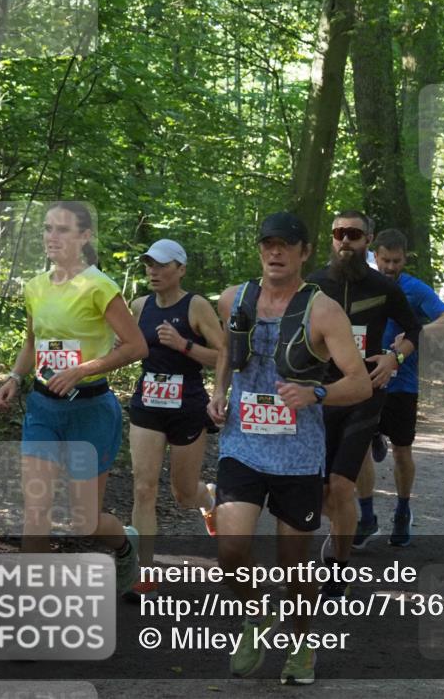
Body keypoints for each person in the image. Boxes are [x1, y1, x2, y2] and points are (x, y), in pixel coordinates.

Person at [207, 211, 371, 683]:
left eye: (286, 245)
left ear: (304, 252)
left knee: (294, 566)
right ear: (259, 249)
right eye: (268, 244)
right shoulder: (233, 299)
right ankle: (257, 614)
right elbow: (227, 350)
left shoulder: (324, 311)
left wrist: (315, 393)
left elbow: (359, 383)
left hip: (297, 452)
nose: (275, 252)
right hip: (242, 443)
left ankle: (301, 645)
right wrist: (219, 391)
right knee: (230, 549)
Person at [0, 200, 146, 596]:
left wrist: (82, 369)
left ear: (84, 236)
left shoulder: (99, 286)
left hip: (91, 411)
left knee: (84, 521)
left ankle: (125, 544)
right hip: (43, 408)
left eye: (62, 229)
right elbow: (32, 342)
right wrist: (14, 377)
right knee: (36, 513)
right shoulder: (35, 287)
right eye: (47, 228)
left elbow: (136, 346)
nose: (52, 237)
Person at [306, 210, 422, 599]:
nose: (345, 240)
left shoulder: (383, 287)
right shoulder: (312, 284)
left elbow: (413, 329)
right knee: (318, 489)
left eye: (353, 234)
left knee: (342, 485)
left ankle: (338, 568)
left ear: (367, 241)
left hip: (364, 394)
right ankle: (342, 528)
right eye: (339, 232)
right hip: (319, 395)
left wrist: (394, 358)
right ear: (331, 237)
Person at [125, 239, 225, 601]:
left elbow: (222, 354)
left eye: (162, 265)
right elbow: (124, 348)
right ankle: (144, 573)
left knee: (183, 494)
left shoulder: (195, 305)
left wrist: (184, 345)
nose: (153, 271)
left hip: (187, 406)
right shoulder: (139, 306)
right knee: (143, 488)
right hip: (148, 403)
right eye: (149, 264)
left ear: (180, 269)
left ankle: (207, 499)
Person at [354, 230, 444, 549]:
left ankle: (402, 510)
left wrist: (417, 334)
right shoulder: (359, 285)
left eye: (396, 261)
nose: (390, 267)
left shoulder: (414, 289)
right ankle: (366, 516)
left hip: (402, 382)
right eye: (385, 260)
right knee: (357, 449)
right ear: (374, 255)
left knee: (402, 451)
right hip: (363, 380)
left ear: (405, 259)